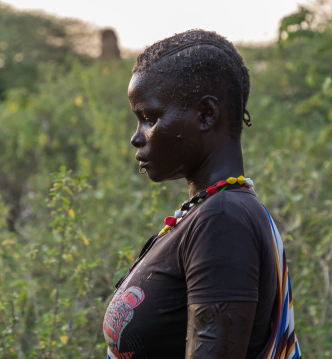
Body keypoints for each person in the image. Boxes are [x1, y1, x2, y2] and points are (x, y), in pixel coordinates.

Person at [102, 30, 301, 359]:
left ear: (207, 115)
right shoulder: (208, 212)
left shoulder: (223, 220)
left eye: (149, 118)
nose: (137, 138)